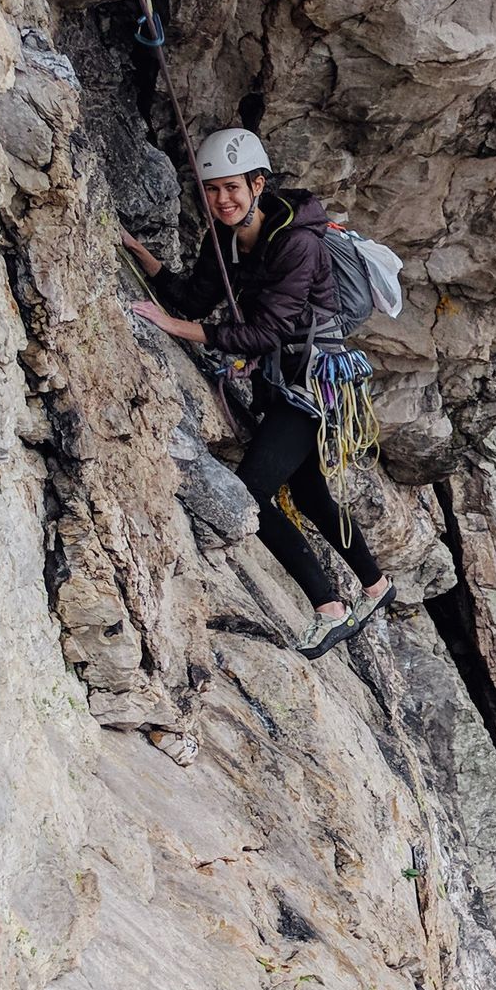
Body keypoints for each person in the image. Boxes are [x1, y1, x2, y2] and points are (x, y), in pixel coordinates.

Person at [124, 128, 392, 658]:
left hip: (315, 384)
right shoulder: (222, 240)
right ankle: (376, 585)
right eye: (212, 190)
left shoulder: (298, 243)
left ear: (258, 183)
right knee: (310, 491)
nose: (223, 200)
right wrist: (144, 259)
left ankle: (328, 608)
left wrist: (177, 332)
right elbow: (194, 298)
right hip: (283, 382)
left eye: (233, 188)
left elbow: (265, 331)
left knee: (250, 493)